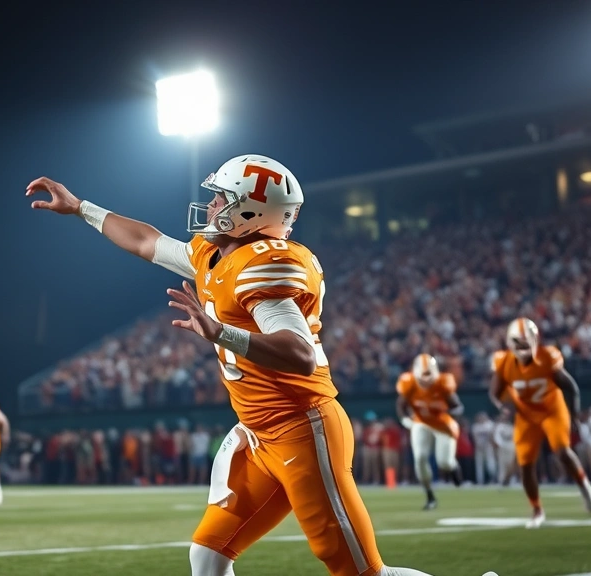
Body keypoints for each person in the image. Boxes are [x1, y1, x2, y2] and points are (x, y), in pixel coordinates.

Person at [27, 154, 437, 576]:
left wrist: (221, 333)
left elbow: (298, 352)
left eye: (221, 198)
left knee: (361, 573)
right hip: (259, 434)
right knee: (208, 555)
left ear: (250, 211)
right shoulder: (214, 254)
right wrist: (80, 207)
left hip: (302, 427)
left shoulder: (262, 265)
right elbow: (145, 242)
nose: (211, 206)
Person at [488, 318, 591, 528]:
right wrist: (503, 406)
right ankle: (537, 510)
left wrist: (574, 415)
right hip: (526, 416)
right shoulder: (503, 362)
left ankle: (585, 487)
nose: (523, 347)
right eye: (518, 342)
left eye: (526, 341)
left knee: (562, 451)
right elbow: (493, 392)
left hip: (552, 410)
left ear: (535, 340)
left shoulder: (547, 357)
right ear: (510, 343)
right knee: (526, 465)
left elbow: (571, 387)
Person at [395, 354, 464, 510]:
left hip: (442, 423)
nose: (426, 380)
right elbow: (401, 405)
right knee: (419, 458)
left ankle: (453, 467)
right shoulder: (409, 383)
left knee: (444, 462)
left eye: (429, 375)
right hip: (421, 422)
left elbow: (458, 406)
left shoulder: (443, 383)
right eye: (423, 375)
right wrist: (405, 419)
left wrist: (451, 416)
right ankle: (430, 496)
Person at [493, 407, 518, 487]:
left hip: (511, 445)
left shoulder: (513, 425)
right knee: (502, 463)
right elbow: (496, 437)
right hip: (503, 446)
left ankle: (512, 479)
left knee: (511, 463)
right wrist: (500, 445)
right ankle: (502, 480)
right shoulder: (499, 426)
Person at [470, 412, 497, 485]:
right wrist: (479, 445)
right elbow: (474, 437)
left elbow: (493, 435)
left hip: (488, 447)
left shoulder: (490, 424)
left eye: (482, 417)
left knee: (490, 464)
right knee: (479, 465)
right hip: (479, 448)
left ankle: (492, 479)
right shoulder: (475, 426)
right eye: (480, 417)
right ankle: (480, 481)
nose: (481, 419)